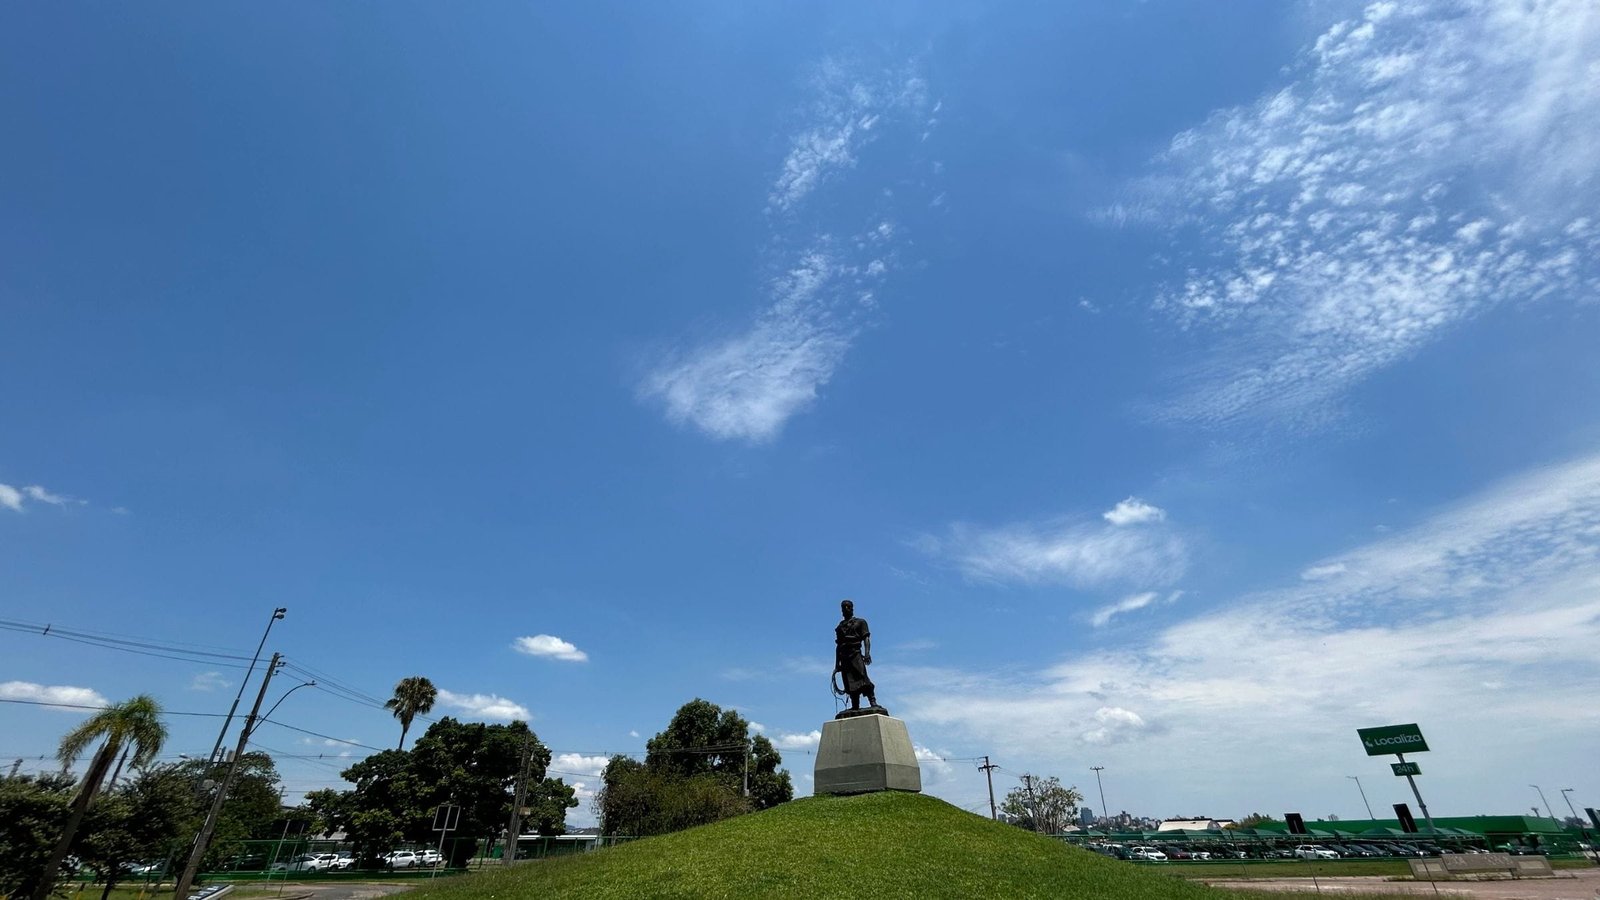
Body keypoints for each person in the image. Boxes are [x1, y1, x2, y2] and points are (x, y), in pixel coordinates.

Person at [834, 599, 878, 710]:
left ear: (852, 608)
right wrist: (837, 665)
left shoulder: (860, 622)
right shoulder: (840, 628)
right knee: (849, 683)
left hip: (856, 654)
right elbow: (838, 646)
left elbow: (866, 638)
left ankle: (872, 701)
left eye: (848, 607)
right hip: (844, 658)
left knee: (863, 679)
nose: (846, 609)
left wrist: (867, 653)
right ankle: (855, 706)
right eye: (844, 607)